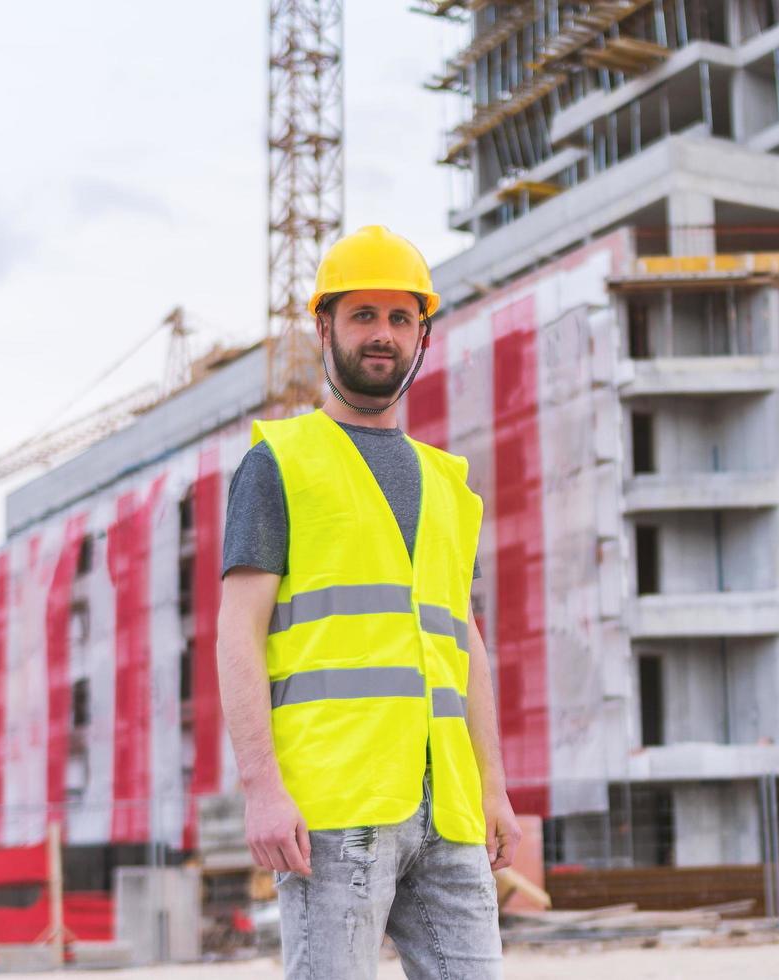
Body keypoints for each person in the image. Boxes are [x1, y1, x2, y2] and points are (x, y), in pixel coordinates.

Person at [217, 225, 521, 980]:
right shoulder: (279, 463)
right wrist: (261, 788)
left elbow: (466, 645)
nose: (381, 336)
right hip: (336, 806)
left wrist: (494, 789)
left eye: (399, 318)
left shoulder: (449, 482)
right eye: (362, 316)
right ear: (325, 327)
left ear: (421, 334)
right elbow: (238, 631)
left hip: (447, 808)